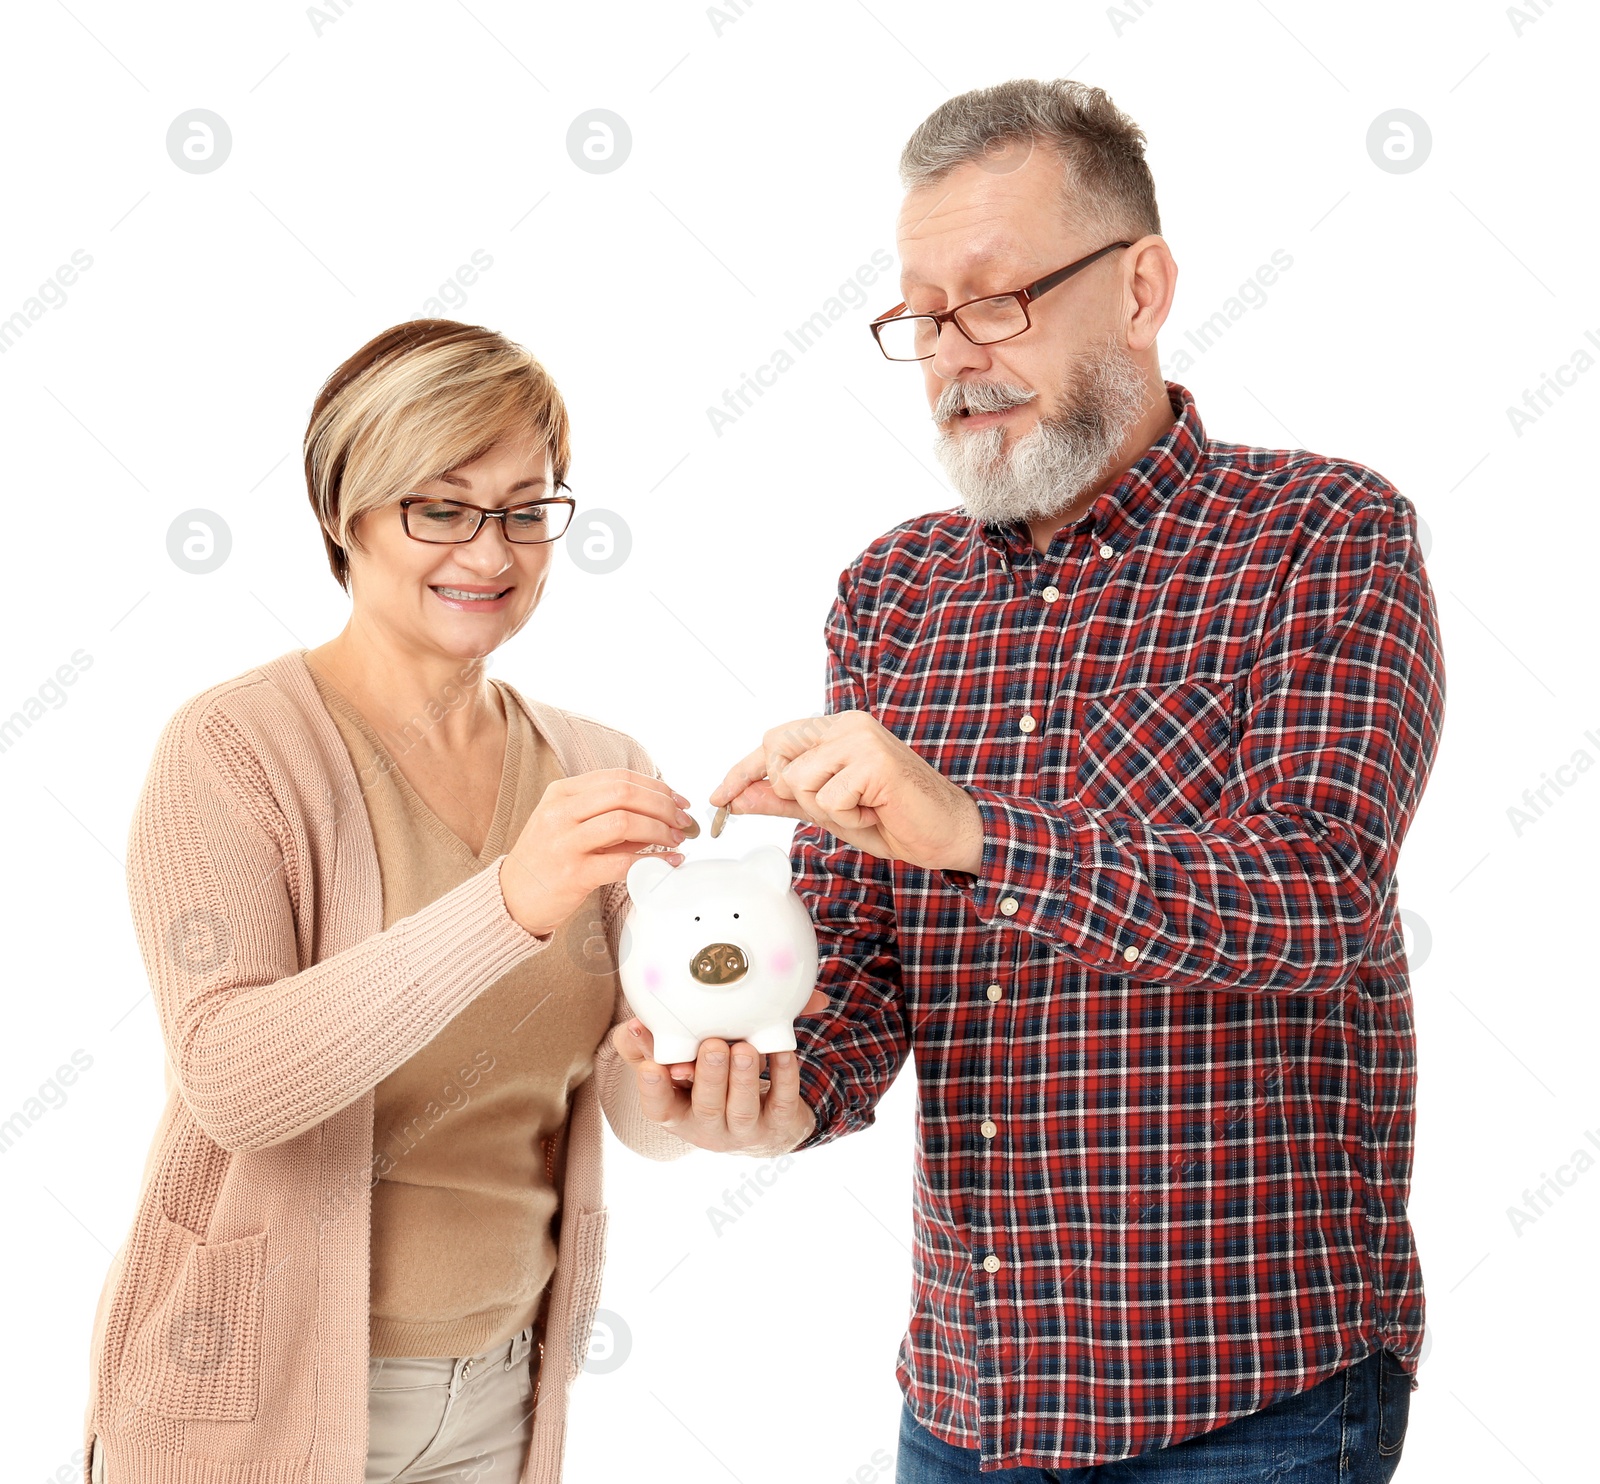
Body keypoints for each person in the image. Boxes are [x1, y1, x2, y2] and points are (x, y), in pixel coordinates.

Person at [614, 79, 1444, 1482]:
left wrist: (976, 830)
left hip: (1252, 1403)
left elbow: (1317, 895)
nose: (954, 356)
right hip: (966, 1407)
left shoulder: (1325, 535)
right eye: (923, 316)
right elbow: (862, 966)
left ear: (1141, 286)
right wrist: (735, 1087)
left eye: (996, 300)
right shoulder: (892, 594)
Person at [80, 319, 738, 1484]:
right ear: (345, 513)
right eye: (440, 505)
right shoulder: (233, 748)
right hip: (253, 1397)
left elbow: (633, 1113)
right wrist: (511, 901)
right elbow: (232, 1077)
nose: (491, 552)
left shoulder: (591, 761)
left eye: (527, 507)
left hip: (502, 1392)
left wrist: (689, 1066)